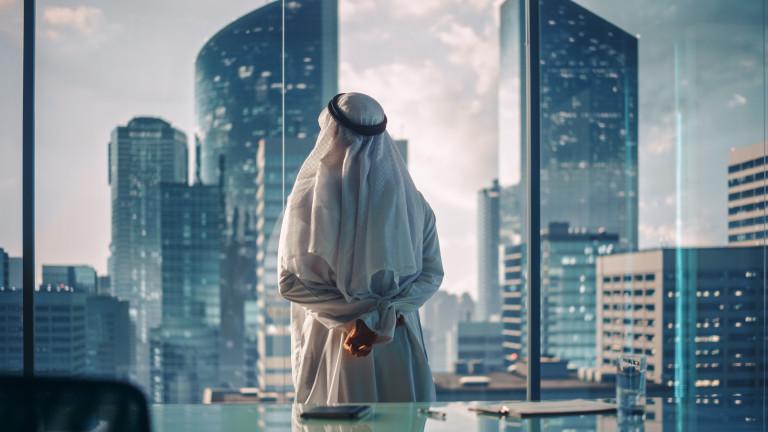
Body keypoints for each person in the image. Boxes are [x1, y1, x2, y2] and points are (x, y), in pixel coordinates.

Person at [277, 92, 444, 404]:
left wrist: (359, 322)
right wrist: (379, 319)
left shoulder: (304, 203)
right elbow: (431, 276)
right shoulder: (414, 205)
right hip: (394, 339)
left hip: (334, 341)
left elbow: (289, 283)